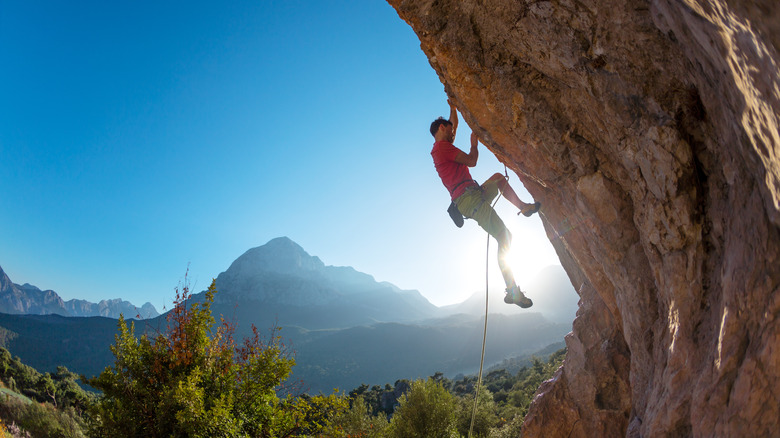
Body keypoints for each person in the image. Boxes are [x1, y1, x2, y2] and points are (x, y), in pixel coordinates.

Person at [430, 100, 540, 307]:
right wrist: (473, 145)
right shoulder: (441, 149)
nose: (454, 135)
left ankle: (523, 207)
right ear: (442, 129)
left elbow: (453, 124)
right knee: (504, 236)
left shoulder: (443, 146)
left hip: (472, 193)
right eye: (451, 131)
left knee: (499, 178)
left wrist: (453, 109)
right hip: (469, 199)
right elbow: (472, 161)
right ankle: (512, 291)